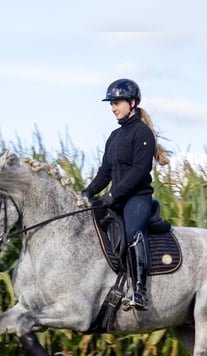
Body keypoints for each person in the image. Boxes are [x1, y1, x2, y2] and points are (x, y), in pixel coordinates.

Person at [78, 78, 170, 310]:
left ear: (133, 102)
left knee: (131, 232)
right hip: (117, 198)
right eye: (111, 103)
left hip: (137, 198)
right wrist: (87, 193)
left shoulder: (142, 133)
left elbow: (140, 171)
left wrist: (113, 195)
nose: (113, 108)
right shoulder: (114, 137)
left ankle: (140, 291)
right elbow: (105, 172)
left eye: (117, 102)